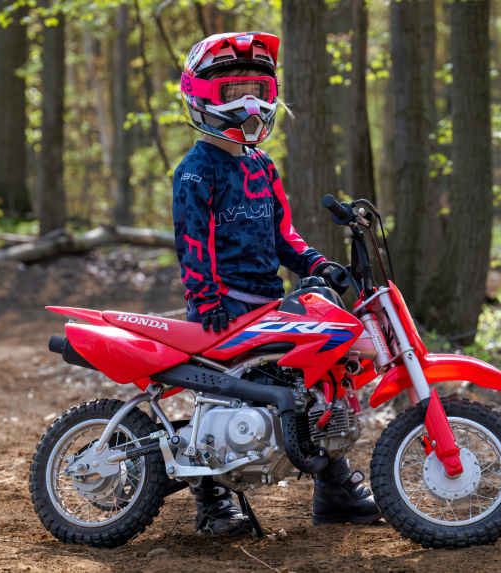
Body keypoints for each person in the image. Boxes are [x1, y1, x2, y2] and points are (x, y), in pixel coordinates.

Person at [172, 31, 381, 536]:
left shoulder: (262, 166)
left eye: (258, 89)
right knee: (227, 397)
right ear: (200, 94)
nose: (248, 103)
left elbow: (284, 234)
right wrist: (205, 297)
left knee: (320, 382)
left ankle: (333, 486)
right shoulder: (196, 172)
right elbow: (192, 243)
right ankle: (215, 497)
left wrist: (318, 263)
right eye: (231, 92)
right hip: (222, 307)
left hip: (268, 301)